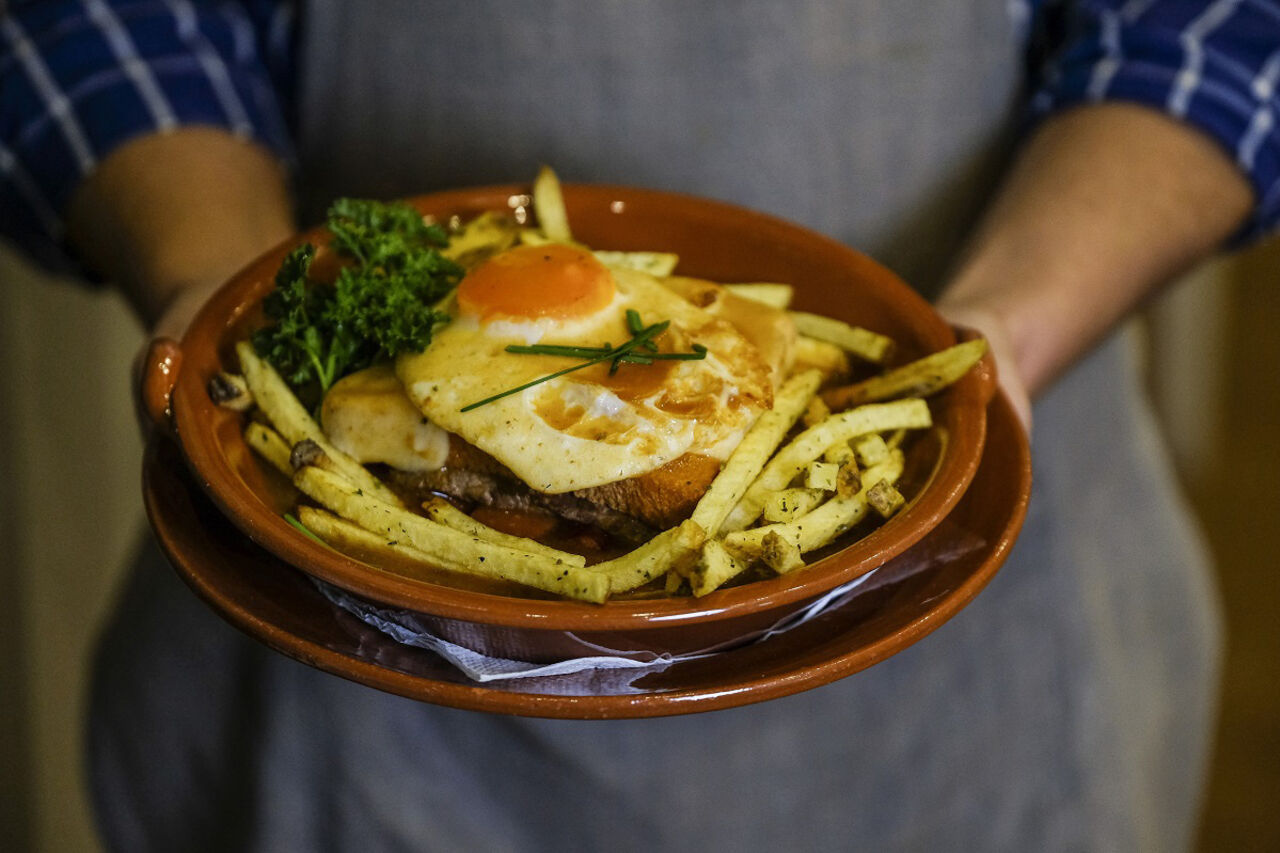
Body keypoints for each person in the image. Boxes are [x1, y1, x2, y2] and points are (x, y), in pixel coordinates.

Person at [2, 1, 1273, 850]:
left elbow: (1218, 28)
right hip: (332, 701)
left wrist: (1000, 337)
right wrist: (220, 285)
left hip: (971, 697)